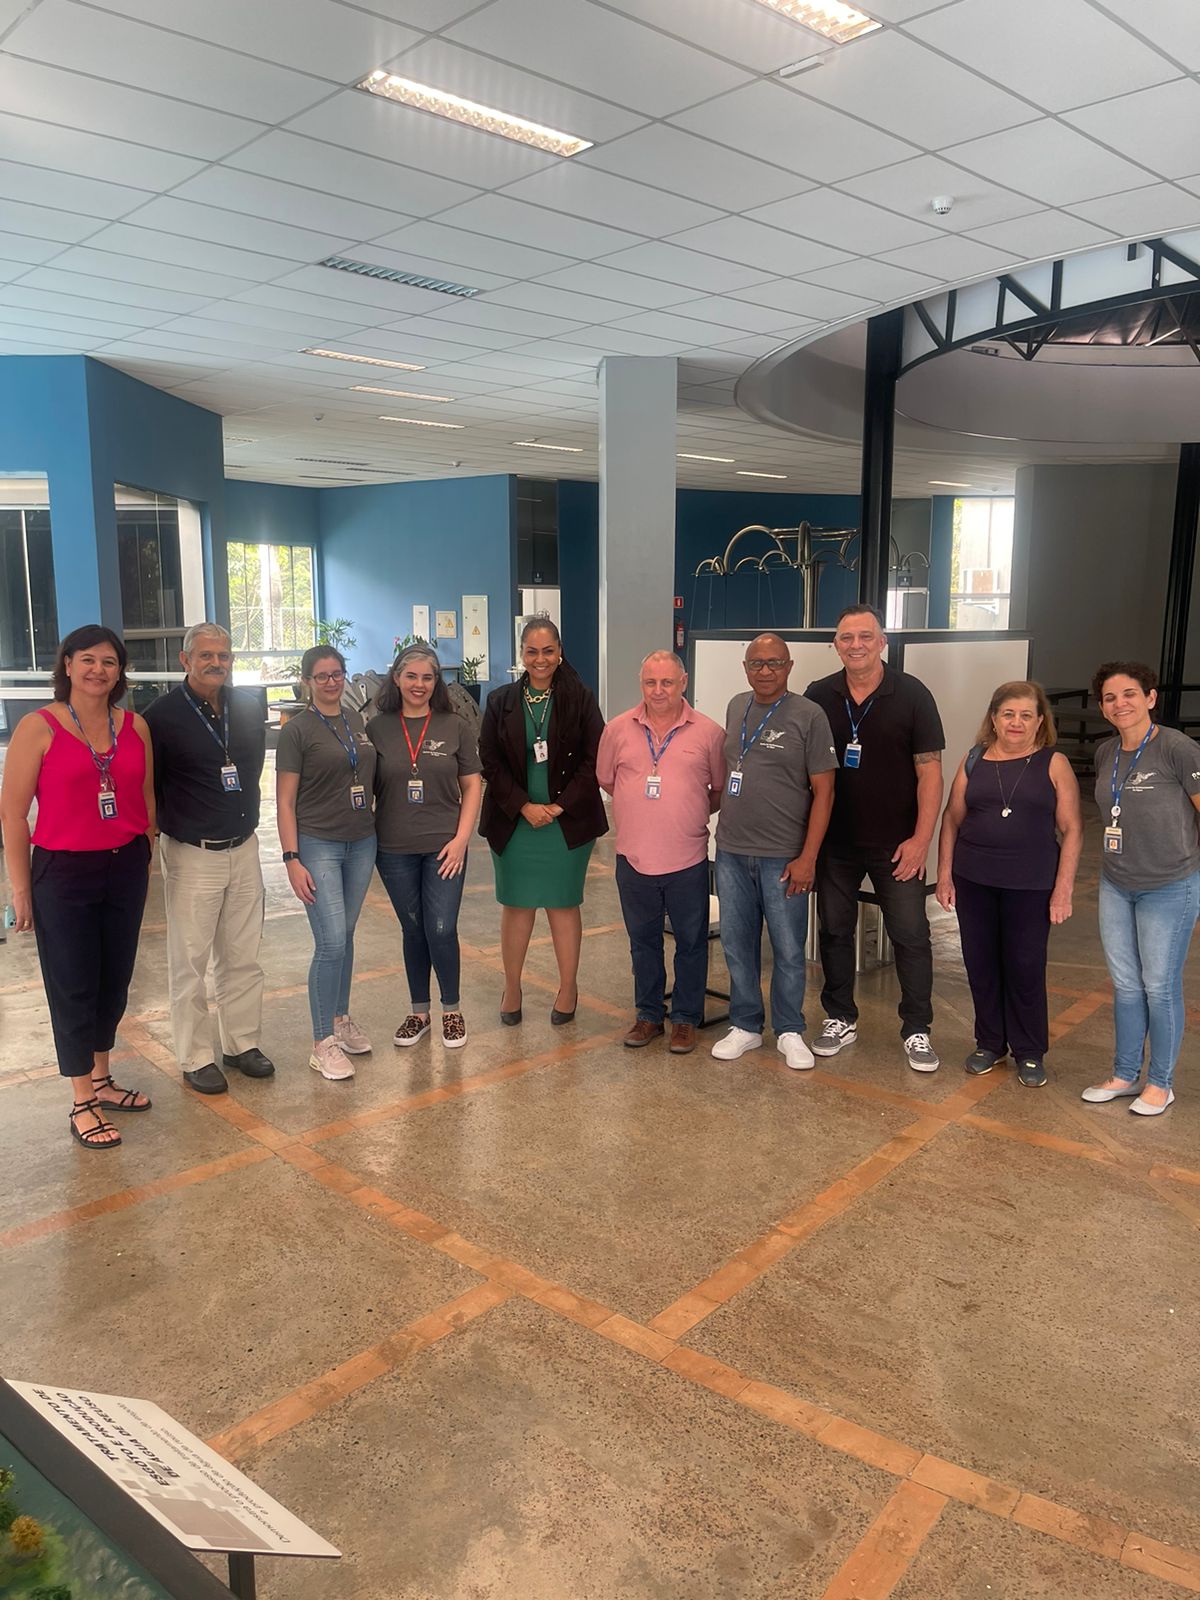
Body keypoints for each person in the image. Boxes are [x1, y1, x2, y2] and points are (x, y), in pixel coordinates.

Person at [0, 625, 155, 1149]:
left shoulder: (134, 726)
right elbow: (12, 813)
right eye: (86, 660)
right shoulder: (37, 726)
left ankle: (104, 1078)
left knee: (114, 979)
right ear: (66, 666)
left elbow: (145, 797)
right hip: (63, 872)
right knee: (72, 984)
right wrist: (21, 889)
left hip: (126, 865)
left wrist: (146, 852)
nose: (98, 671)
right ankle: (81, 1098)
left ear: (120, 671)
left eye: (109, 662)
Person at [805, 606, 945, 1072]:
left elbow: (930, 772)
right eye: (847, 637)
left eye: (866, 636)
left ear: (882, 642)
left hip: (897, 844)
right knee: (835, 932)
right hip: (835, 844)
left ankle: (917, 1029)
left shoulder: (912, 694)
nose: (856, 645)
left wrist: (922, 838)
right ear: (836, 644)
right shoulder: (819, 695)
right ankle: (840, 1017)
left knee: (910, 934)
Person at [144, 623, 273, 1095]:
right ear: (185, 660)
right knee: (191, 959)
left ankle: (241, 1044)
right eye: (205, 655)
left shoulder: (247, 705)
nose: (216, 663)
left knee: (242, 955)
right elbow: (148, 785)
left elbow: (253, 766)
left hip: (244, 846)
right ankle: (195, 1055)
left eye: (223, 655)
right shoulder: (160, 716)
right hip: (192, 853)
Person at [936, 681, 1083, 1088]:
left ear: (1040, 722)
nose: (1016, 722)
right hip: (974, 880)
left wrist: (1063, 889)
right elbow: (952, 818)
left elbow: (1072, 829)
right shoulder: (974, 759)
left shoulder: (1054, 764)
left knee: (1024, 966)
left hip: (1031, 884)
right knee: (980, 963)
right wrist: (945, 874)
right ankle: (989, 1042)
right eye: (1008, 714)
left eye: (1026, 715)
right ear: (994, 719)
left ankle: (1030, 1050)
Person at [711, 632, 837, 1069]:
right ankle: (745, 1024)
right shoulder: (735, 705)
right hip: (730, 849)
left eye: (774, 663)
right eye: (756, 663)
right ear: (746, 668)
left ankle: (789, 1030)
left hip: (784, 855)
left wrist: (808, 858)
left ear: (789, 666)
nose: (765, 671)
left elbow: (825, 792)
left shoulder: (809, 715)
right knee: (736, 942)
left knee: (786, 949)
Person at [1081, 661, 1200, 1116]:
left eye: (1130, 694)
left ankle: (1161, 1083)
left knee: (1159, 985)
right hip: (1116, 883)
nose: (1120, 704)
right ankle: (1126, 1073)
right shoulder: (1106, 752)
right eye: (1110, 697)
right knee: (1126, 984)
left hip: (1169, 885)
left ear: (1150, 698)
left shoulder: (1178, 749)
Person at [597, 650, 725, 1055]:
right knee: (643, 943)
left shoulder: (709, 733)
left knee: (691, 942)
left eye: (666, 682)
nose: (658, 690)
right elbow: (608, 780)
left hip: (687, 858)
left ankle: (685, 1019)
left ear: (683, 682)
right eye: (650, 682)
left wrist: (681, 811)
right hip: (633, 859)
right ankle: (649, 1015)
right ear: (641, 683)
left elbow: (718, 790)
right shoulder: (617, 729)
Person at [479, 618, 606, 1026]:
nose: (540, 659)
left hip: (565, 824)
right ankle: (512, 987)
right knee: (516, 905)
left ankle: (568, 988)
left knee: (562, 905)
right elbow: (490, 761)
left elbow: (595, 759)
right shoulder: (500, 701)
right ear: (522, 654)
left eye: (548, 651)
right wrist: (522, 806)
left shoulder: (580, 698)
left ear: (560, 651)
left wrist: (558, 807)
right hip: (513, 823)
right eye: (532, 651)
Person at [368, 645, 482, 1049]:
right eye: (411, 676)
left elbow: (472, 785)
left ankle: (451, 1009)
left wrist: (461, 840)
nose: (419, 685)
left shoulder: (454, 726)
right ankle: (420, 1013)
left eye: (428, 677)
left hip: (445, 846)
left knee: (441, 927)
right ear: (396, 678)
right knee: (413, 928)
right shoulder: (377, 728)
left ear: (437, 683)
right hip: (393, 847)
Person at [277, 646, 378, 1081]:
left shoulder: (356, 721)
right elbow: (283, 801)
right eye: (322, 676)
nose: (332, 682)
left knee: (347, 935)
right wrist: (291, 858)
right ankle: (322, 1042)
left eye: (337, 674)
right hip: (318, 844)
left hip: (361, 841)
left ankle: (340, 1018)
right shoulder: (296, 731)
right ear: (307, 682)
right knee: (331, 941)